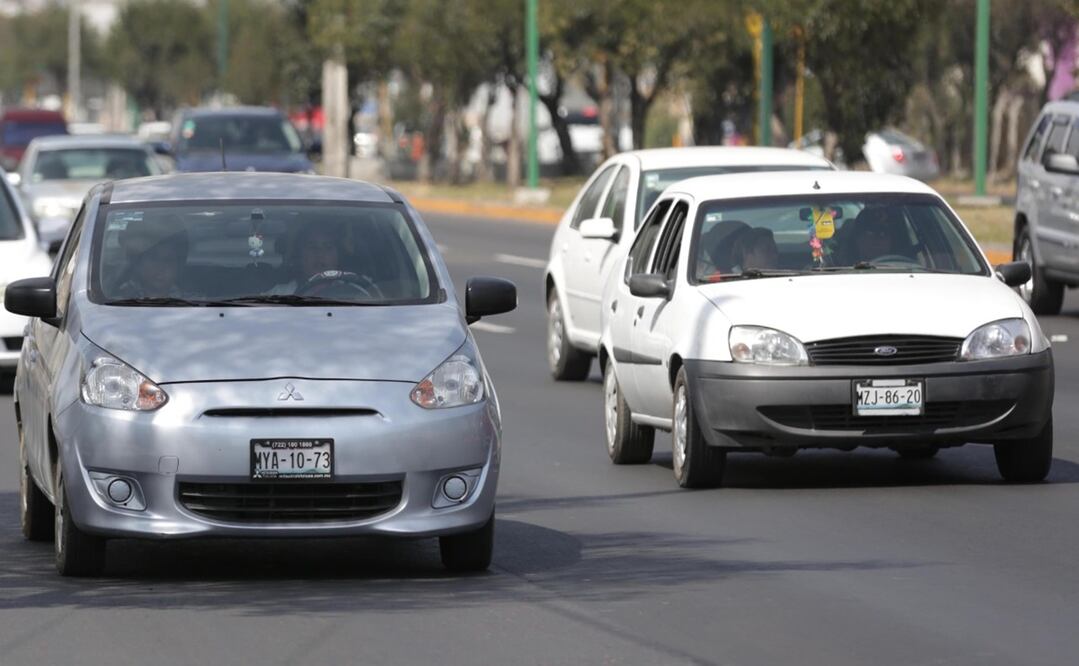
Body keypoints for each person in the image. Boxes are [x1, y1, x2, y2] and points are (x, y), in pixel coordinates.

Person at [114, 219, 188, 298]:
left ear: (178, 267)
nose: (161, 267)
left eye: (168, 260)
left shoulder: (194, 303)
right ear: (139, 262)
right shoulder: (117, 299)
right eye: (154, 258)